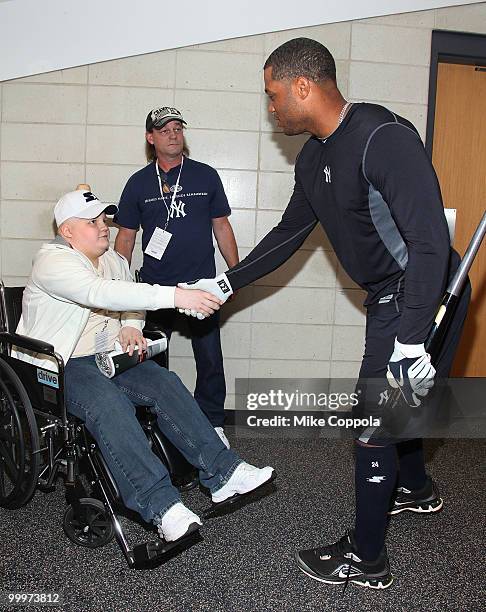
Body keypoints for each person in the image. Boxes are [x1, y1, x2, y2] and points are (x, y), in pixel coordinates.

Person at [179, 38, 471, 588]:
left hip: (425, 294)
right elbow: (288, 235)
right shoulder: (314, 157)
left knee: (375, 424)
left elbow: (431, 242)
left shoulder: (382, 138)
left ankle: (367, 559)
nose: (271, 108)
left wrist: (411, 342)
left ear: (303, 87)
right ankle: (416, 489)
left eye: (273, 96)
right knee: (397, 411)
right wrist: (225, 282)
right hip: (388, 297)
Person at [13, 189, 274, 543]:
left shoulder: (112, 260)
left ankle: (223, 474)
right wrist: (177, 295)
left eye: (104, 219)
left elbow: (130, 299)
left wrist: (131, 326)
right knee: (108, 405)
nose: (104, 227)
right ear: (68, 231)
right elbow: (99, 294)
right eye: (92, 222)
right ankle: (162, 506)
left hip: (108, 357)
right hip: (61, 365)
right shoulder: (54, 261)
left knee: (165, 382)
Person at [114, 106, 239, 448]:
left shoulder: (205, 176)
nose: (172, 134)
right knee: (149, 359)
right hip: (155, 289)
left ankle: (213, 422)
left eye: (177, 128)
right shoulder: (138, 183)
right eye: (164, 129)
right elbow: (125, 236)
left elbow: (222, 227)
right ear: (150, 138)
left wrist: (236, 274)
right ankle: (153, 423)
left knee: (210, 358)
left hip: (200, 288)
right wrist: (117, 285)